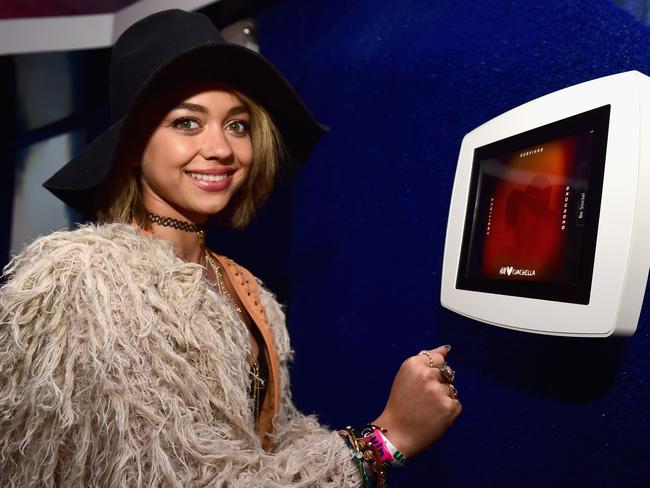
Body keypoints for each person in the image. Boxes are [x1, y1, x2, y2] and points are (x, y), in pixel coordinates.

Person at [0, 9, 461, 487]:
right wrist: (384, 440)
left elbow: (262, 451)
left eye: (237, 125)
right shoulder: (85, 280)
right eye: (187, 122)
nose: (221, 148)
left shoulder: (247, 291)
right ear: (134, 145)